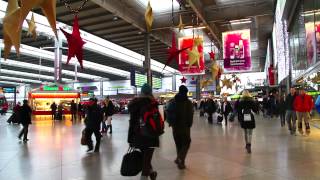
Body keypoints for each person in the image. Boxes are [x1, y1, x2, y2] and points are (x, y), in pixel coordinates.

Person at [128, 84, 159, 180]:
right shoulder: (153, 103)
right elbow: (160, 119)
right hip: (151, 136)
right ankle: (145, 176)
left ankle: (152, 173)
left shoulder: (134, 104)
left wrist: (130, 139)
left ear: (141, 92)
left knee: (145, 159)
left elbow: (132, 123)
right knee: (146, 159)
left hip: (137, 136)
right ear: (150, 92)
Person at [167, 85, 193, 169]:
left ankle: (181, 163)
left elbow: (168, 112)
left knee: (179, 145)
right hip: (184, 127)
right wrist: (189, 124)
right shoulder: (188, 102)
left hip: (175, 127)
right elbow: (190, 115)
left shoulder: (173, 101)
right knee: (186, 143)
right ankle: (180, 158)